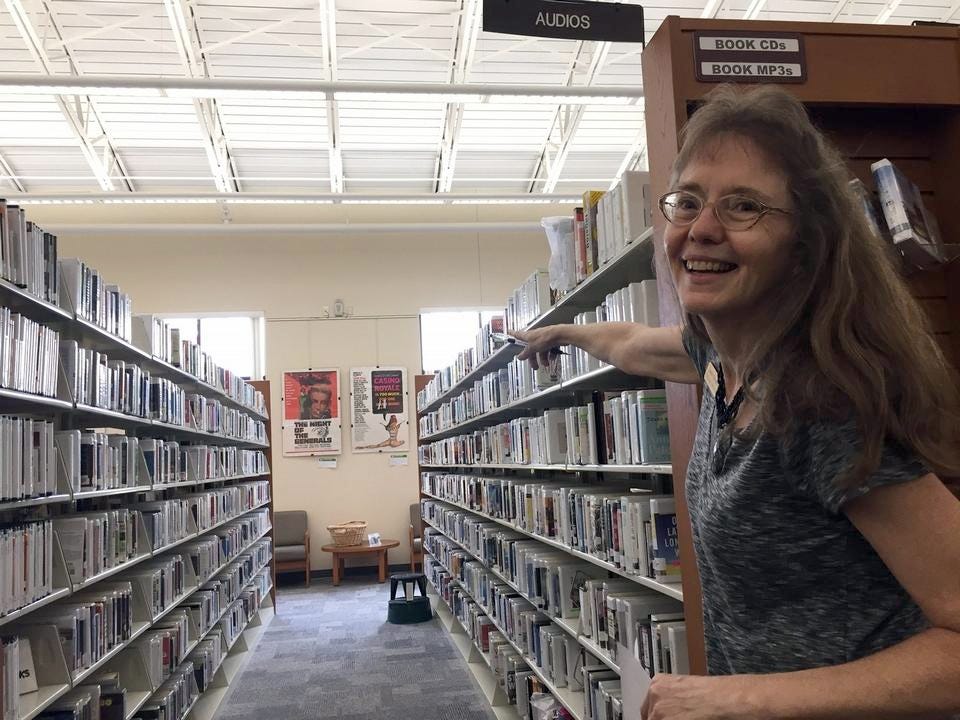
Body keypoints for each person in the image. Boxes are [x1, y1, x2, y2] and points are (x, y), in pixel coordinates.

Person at [513, 85, 960, 719]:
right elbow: (637, 344)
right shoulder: (724, 360)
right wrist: (562, 332)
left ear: (804, 242)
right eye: (686, 202)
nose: (701, 229)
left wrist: (740, 699)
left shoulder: (824, 404)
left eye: (744, 207)